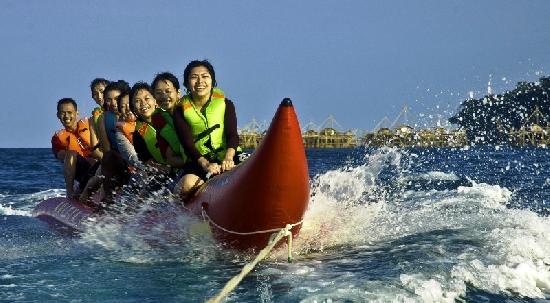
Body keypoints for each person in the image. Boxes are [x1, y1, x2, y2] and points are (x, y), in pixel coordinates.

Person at [173, 60, 243, 198]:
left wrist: (228, 158)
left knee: (255, 164)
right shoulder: (180, 110)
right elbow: (187, 144)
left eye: (205, 76)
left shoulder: (226, 104)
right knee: (187, 184)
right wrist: (206, 165)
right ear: (187, 84)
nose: (200, 81)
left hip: (227, 156)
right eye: (194, 77)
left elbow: (232, 135)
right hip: (199, 161)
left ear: (212, 81)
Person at [51, 98, 101, 198]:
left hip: (102, 167)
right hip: (84, 171)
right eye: (63, 113)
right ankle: (70, 193)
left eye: (70, 112)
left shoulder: (90, 123)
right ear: (58, 115)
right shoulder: (58, 138)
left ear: (77, 113)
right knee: (70, 154)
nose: (66, 116)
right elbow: (62, 157)